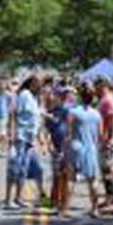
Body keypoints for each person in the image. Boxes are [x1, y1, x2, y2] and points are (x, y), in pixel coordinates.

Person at [64, 83, 102, 218]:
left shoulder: (73, 112)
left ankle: (65, 209)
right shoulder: (97, 114)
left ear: (80, 96)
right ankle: (95, 209)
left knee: (71, 179)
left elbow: (68, 133)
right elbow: (100, 134)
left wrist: (65, 148)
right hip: (91, 148)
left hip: (76, 147)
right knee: (92, 180)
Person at [7, 76, 42, 209]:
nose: (40, 88)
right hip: (20, 136)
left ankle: (18, 198)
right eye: (38, 85)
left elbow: (35, 117)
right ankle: (8, 200)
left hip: (29, 138)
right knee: (15, 167)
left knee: (24, 169)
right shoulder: (24, 95)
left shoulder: (33, 97)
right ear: (32, 84)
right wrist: (12, 133)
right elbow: (14, 113)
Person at [45, 86, 71, 215]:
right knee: (56, 174)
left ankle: (62, 203)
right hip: (55, 146)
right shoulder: (52, 110)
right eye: (60, 95)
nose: (63, 97)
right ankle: (54, 200)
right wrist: (49, 143)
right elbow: (47, 130)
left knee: (64, 175)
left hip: (66, 146)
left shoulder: (68, 109)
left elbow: (70, 128)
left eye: (65, 95)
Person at [96, 79, 113, 167]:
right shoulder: (105, 98)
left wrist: (109, 137)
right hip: (104, 135)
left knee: (108, 165)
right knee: (105, 164)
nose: (96, 89)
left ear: (104, 87)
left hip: (107, 137)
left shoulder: (108, 99)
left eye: (98, 87)